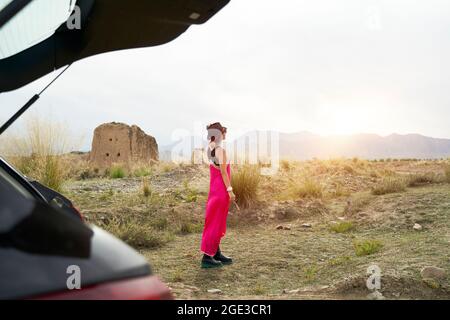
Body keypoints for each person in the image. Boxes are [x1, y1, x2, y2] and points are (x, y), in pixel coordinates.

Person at [200, 122, 236, 268]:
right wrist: (230, 190)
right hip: (221, 191)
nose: (225, 134)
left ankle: (215, 252)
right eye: (223, 131)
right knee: (215, 223)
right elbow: (223, 172)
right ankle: (207, 258)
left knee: (216, 221)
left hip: (214, 190)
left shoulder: (210, 148)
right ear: (219, 134)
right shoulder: (220, 150)